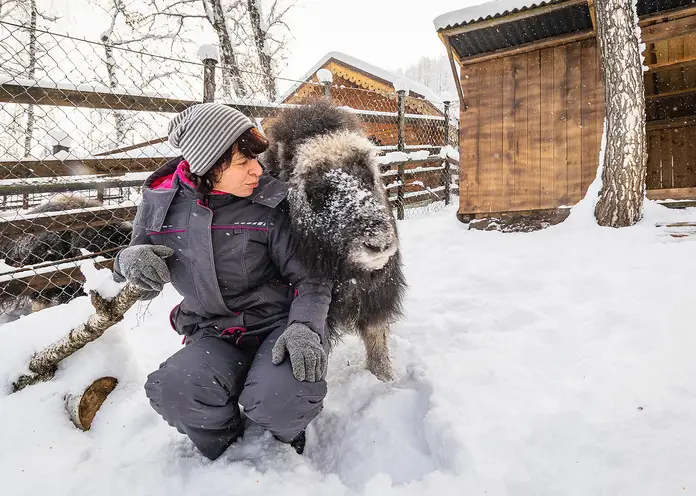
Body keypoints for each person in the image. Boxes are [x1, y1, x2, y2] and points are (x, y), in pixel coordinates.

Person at [113, 103, 333, 460]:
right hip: (212, 332)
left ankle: (283, 436)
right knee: (175, 390)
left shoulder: (274, 201)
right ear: (209, 165)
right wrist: (127, 259)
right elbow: (128, 259)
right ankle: (226, 443)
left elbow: (312, 277)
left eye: (255, 161)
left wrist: (305, 327)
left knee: (283, 395)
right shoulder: (160, 205)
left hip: (279, 326)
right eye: (243, 163)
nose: (257, 171)